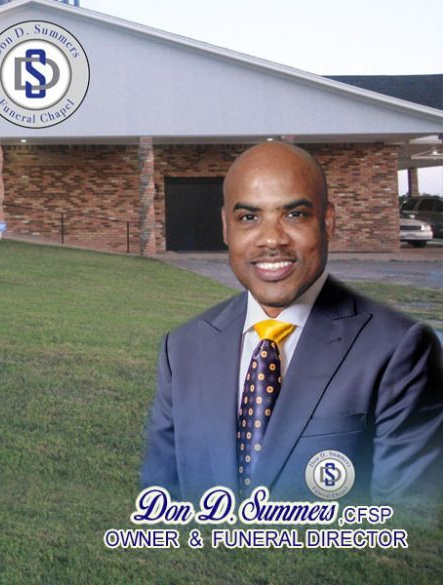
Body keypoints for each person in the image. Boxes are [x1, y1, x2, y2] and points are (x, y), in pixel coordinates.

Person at [140, 141, 443, 503]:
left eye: (294, 215)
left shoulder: (399, 351)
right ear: (226, 227)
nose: (271, 239)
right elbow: (162, 501)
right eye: (249, 218)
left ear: (327, 221)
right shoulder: (183, 348)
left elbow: (406, 525)